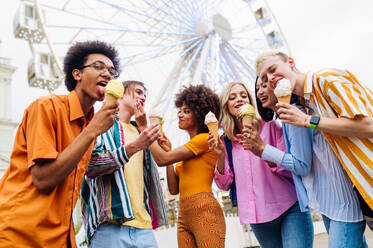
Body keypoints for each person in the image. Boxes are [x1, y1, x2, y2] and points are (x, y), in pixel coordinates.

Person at [0, 40, 120, 247]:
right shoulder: (45, 108)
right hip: (21, 234)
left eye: (112, 71)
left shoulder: (90, 126)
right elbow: (43, 179)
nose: (108, 74)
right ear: (77, 74)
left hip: (59, 237)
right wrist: (92, 131)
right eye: (98, 67)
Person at [243, 77, 367, 247]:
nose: (260, 92)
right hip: (330, 203)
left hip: (341, 203)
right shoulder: (287, 118)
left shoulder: (294, 113)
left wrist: (264, 149)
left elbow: (301, 165)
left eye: (265, 86)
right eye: (257, 88)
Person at [255, 50, 373, 228]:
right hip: (363, 188)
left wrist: (307, 121)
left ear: (291, 63)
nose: (270, 78)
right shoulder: (307, 104)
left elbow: (369, 126)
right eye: (264, 78)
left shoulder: (326, 79)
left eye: (273, 69)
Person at [208, 82, 313, 248]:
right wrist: (220, 157)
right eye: (232, 97)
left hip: (289, 209)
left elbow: (292, 167)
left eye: (244, 96)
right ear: (226, 106)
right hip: (257, 218)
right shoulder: (224, 142)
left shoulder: (270, 126)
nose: (239, 100)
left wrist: (263, 151)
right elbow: (224, 184)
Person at [80, 80, 168, 247]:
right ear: (121, 94)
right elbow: (89, 166)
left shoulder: (143, 132)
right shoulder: (102, 126)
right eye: (138, 92)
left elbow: (162, 163)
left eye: (145, 95)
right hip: (109, 227)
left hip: (144, 228)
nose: (143, 97)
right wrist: (134, 147)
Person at [138, 85, 225, 248]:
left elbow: (162, 159)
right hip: (183, 213)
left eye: (186, 111)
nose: (180, 115)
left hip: (204, 209)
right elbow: (173, 189)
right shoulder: (187, 149)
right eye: (180, 110)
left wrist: (144, 128)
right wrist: (168, 152)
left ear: (199, 115)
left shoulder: (204, 139)